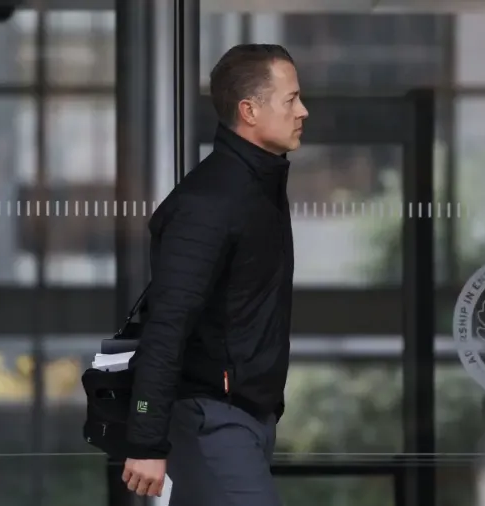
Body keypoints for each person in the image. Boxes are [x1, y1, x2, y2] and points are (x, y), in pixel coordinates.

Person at [121, 43, 309, 506]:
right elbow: (167, 324)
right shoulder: (209, 203)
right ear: (249, 110)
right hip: (212, 419)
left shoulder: (259, 186)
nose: (303, 111)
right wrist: (145, 440)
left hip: (248, 419)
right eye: (290, 99)